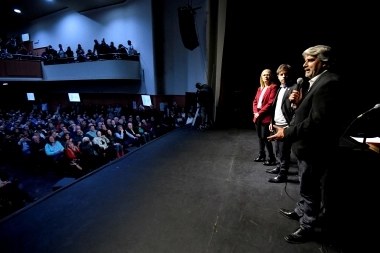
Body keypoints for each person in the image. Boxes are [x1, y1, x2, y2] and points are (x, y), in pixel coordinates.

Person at [267, 45, 343, 244]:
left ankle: (307, 226)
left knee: (309, 188)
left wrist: (288, 132)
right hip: (305, 147)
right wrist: (298, 104)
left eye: (310, 60)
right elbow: (309, 112)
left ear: (324, 62)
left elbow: (317, 122)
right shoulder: (314, 83)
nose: (304, 64)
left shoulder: (330, 82)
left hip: (314, 148)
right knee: (304, 184)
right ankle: (300, 211)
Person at [266, 64, 298, 183]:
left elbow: (296, 110)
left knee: (284, 151)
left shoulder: (294, 87)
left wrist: (289, 127)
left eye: (286, 74)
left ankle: (283, 174)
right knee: (278, 150)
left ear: (289, 75)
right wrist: (271, 121)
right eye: (281, 74)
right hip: (276, 124)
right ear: (278, 76)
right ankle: (279, 168)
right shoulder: (280, 88)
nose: (283, 76)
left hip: (285, 126)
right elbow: (275, 108)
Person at [252, 69, 277, 165]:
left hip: (265, 116)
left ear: (271, 76)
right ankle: (262, 155)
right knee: (260, 137)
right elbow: (255, 101)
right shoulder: (260, 88)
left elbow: (270, 103)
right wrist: (255, 112)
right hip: (257, 116)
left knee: (265, 137)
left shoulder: (273, 87)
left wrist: (260, 113)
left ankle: (271, 158)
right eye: (264, 75)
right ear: (261, 77)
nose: (266, 76)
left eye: (268, 75)